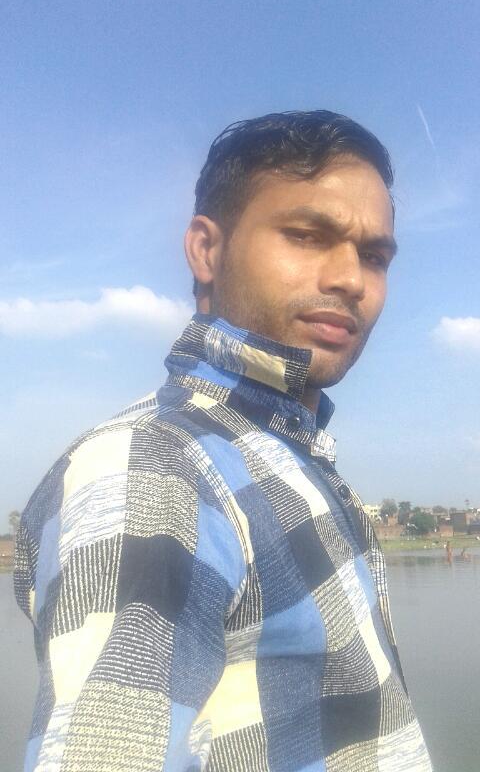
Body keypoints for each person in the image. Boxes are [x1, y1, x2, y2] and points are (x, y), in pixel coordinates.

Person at [14, 111, 433, 771]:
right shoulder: (157, 465)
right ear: (207, 251)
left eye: (374, 256)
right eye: (307, 236)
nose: (351, 279)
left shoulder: (282, 452)